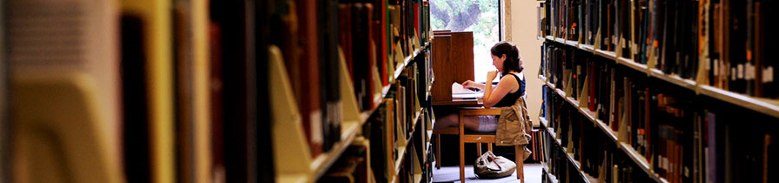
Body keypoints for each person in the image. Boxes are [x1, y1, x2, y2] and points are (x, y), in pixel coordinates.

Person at [434, 41, 527, 132]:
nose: (493, 63)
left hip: (499, 122)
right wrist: (474, 85)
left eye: (494, 59)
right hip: (500, 118)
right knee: (455, 111)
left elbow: (487, 103)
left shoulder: (509, 79)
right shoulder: (517, 74)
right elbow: (499, 90)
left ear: (503, 57)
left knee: (451, 118)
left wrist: (489, 80)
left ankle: (425, 139)